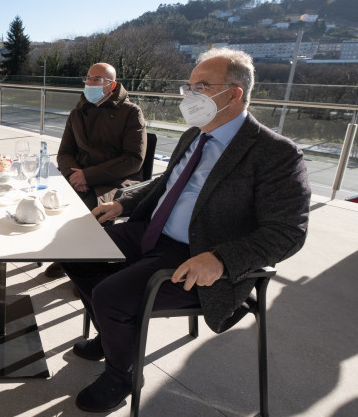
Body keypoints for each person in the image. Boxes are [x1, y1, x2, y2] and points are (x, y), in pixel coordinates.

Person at [61, 48, 310, 413]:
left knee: (111, 296)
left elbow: (289, 231)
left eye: (201, 86)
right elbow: (167, 183)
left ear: (234, 93)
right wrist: (123, 204)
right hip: (150, 231)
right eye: (188, 87)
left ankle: (122, 374)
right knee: (76, 251)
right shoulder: (194, 134)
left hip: (197, 253)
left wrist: (222, 260)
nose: (190, 95)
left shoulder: (277, 154)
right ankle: (113, 334)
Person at [46, 62, 147, 278]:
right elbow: (65, 152)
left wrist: (88, 176)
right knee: (49, 202)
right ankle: (66, 255)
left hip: (117, 179)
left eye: (97, 79)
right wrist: (74, 175)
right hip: (79, 175)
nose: (89, 83)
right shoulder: (77, 113)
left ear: (112, 85)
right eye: (88, 78)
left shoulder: (130, 113)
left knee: (88, 211)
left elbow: (133, 160)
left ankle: (83, 266)